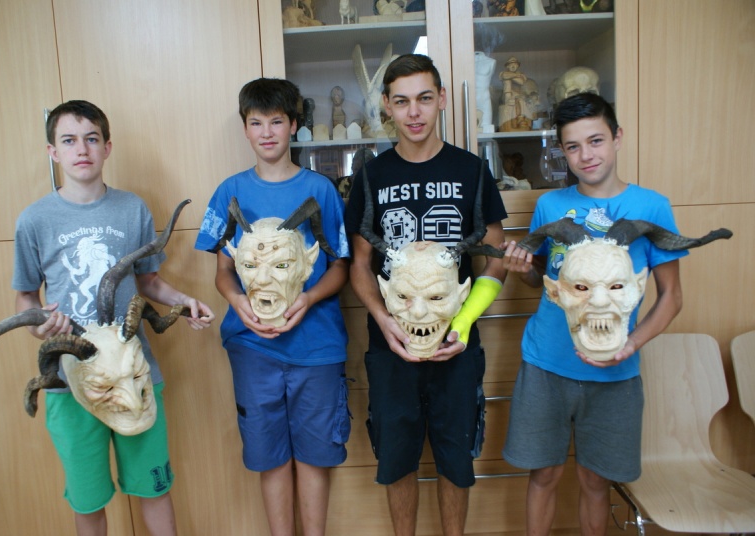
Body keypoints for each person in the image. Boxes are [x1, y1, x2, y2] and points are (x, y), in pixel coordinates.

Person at [13, 99, 215, 536]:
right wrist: (38, 324)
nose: (81, 149)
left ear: (107, 147)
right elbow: (26, 296)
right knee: (87, 499)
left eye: (91, 139)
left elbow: (148, 281)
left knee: (154, 488)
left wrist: (184, 301)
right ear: (53, 152)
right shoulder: (33, 220)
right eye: (69, 140)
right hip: (70, 383)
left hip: (134, 374)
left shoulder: (132, 209)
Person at [501, 92, 686, 536]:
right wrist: (522, 271)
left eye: (596, 141)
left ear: (617, 137)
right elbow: (544, 282)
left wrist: (631, 345)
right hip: (546, 365)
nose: (586, 155)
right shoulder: (549, 206)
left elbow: (672, 297)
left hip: (615, 371)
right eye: (573, 146)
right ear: (562, 152)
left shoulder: (652, 207)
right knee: (543, 475)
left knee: (595, 481)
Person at [345, 54, 508, 536]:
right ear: (386, 106)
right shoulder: (371, 176)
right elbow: (359, 265)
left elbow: (495, 258)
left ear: (442, 100)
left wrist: (463, 324)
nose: (413, 112)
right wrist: (383, 321)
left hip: (457, 344)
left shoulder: (472, 170)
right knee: (397, 460)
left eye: (423, 98)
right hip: (391, 345)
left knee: (456, 459)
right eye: (401, 101)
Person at [194, 77, 351, 536]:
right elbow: (223, 272)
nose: (267, 133)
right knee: (269, 456)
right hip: (253, 347)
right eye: (256, 123)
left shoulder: (321, 190)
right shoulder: (230, 193)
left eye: (277, 122)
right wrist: (237, 302)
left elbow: (340, 269)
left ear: (294, 125)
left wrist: (308, 297)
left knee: (315, 456)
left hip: (316, 346)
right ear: (245, 128)